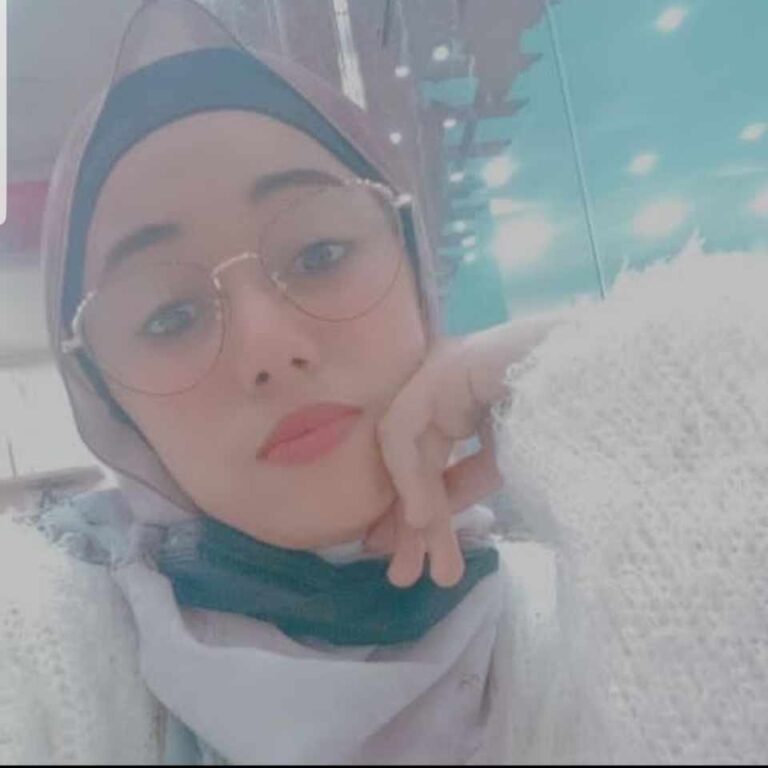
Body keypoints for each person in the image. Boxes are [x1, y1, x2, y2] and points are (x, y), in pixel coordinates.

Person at [1, 1, 766, 764]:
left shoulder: (596, 613)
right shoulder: (53, 664)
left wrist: (631, 403)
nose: (269, 348)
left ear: (414, 269)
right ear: (110, 404)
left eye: (321, 254)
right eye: (170, 318)